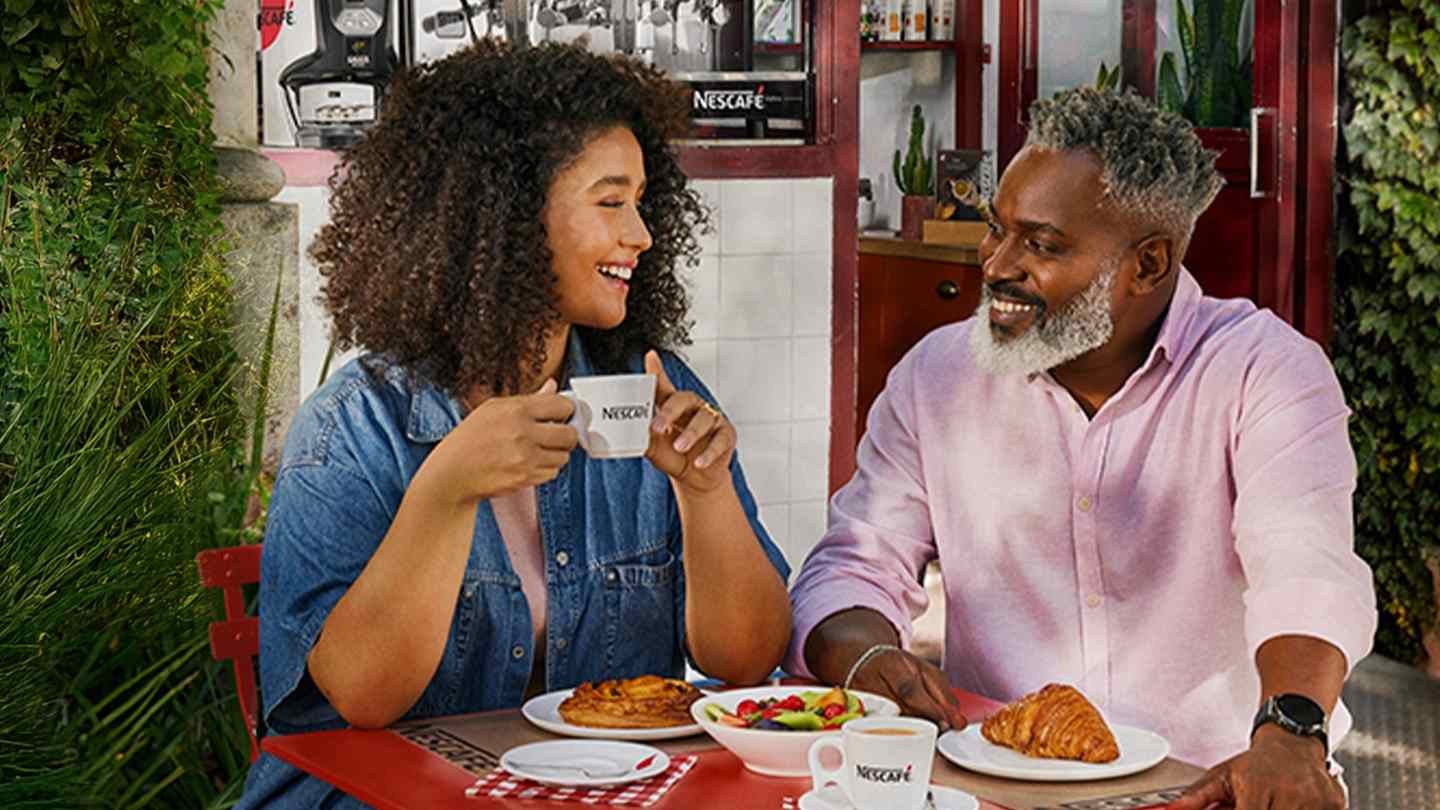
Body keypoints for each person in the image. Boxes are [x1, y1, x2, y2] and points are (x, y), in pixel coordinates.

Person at [786, 87, 1375, 810]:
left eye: (1042, 244)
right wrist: (867, 655)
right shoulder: (936, 378)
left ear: (1149, 265)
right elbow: (853, 567)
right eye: (995, 230)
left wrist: (1290, 731)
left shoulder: (1265, 372)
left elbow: (1306, 573)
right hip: (998, 786)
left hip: (1215, 789)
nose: (997, 265)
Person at [238, 40, 791, 808]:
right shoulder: (353, 430)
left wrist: (706, 493)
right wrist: (446, 490)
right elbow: (363, 697)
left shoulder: (651, 394)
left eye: (641, 201)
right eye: (610, 202)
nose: (642, 234)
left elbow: (744, 662)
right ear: (504, 215)